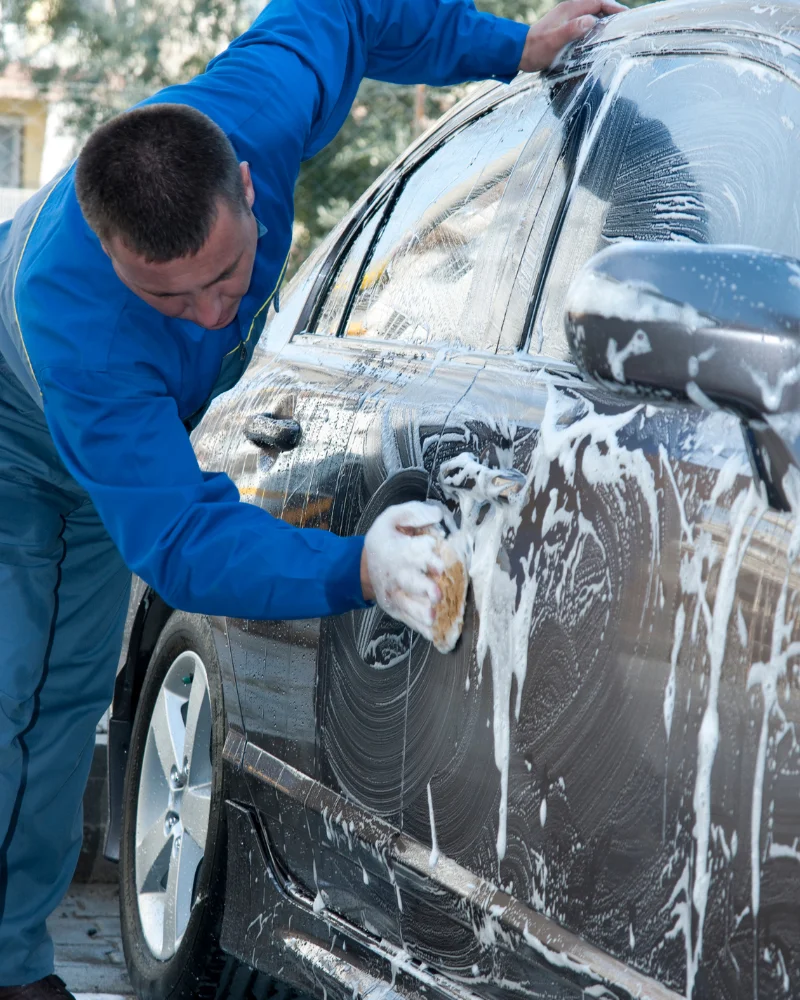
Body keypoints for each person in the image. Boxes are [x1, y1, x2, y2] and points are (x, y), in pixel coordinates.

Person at [0, 0, 624, 994]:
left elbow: (349, 9)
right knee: (17, 691)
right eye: (170, 300)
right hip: (18, 443)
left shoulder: (264, 103)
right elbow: (181, 539)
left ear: (246, 182)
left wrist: (515, 46)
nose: (212, 315)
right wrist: (357, 565)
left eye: (226, 275)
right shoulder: (80, 322)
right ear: (116, 262)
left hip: (123, 429)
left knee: (66, 695)